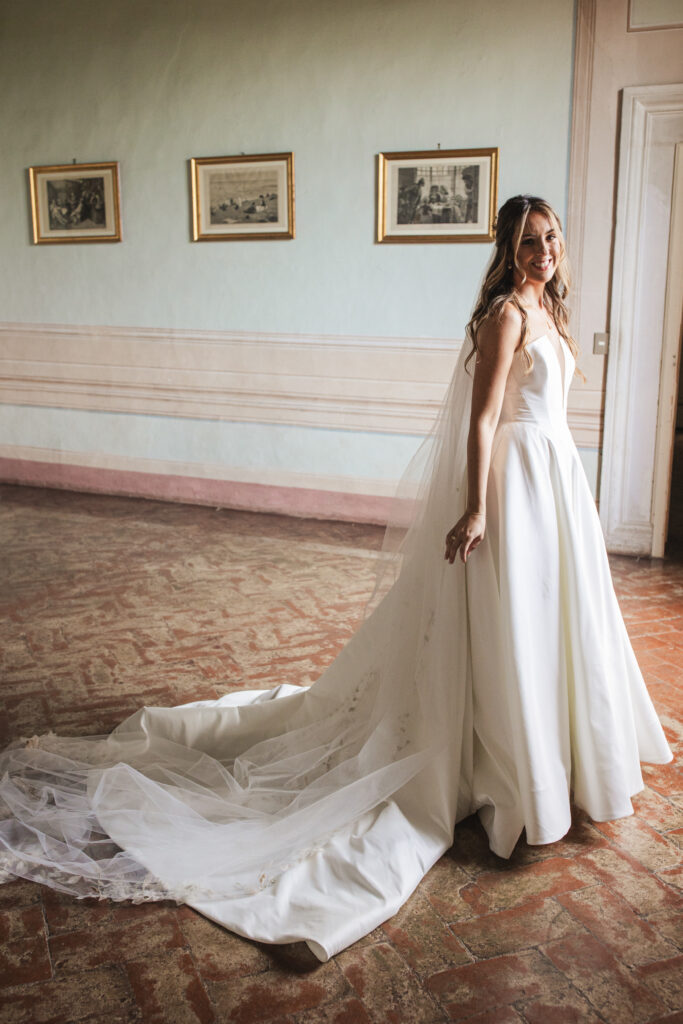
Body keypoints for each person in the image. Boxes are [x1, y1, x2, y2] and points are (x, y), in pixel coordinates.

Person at [0, 195, 672, 962]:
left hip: (553, 485)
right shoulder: (505, 318)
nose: (543, 251)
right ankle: (515, 778)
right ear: (506, 249)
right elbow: (484, 421)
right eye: (528, 242)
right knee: (513, 626)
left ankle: (560, 763)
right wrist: (476, 508)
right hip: (513, 487)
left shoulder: (551, 310)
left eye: (550, 238)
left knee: (558, 624)